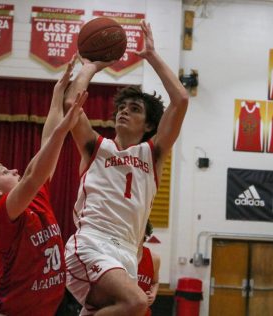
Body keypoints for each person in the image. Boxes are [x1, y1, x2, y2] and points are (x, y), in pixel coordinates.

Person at [64, 20, 188, 315]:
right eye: (122, 107)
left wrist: (153, 56)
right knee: (135, 303)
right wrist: (91, 67)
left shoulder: (153, 153)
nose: (124, 111)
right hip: (92, 240)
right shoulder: (96, 147)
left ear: (148, 125)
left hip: (127, 252)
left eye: (134, 109)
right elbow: (71, 103)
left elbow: (181, 99)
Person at [0, 59, 87, 316]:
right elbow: (31, 174)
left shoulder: (35, 197)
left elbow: (45, 148)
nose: (15, 170)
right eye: (5, 172)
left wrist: (56, 96)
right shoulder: (1, 217)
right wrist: (64, 129)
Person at [137, 221, 160, 316]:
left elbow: (155, 282)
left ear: (146, 232)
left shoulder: (154, 259)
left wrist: (153, 295)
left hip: (143, 312)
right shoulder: (119, 256)